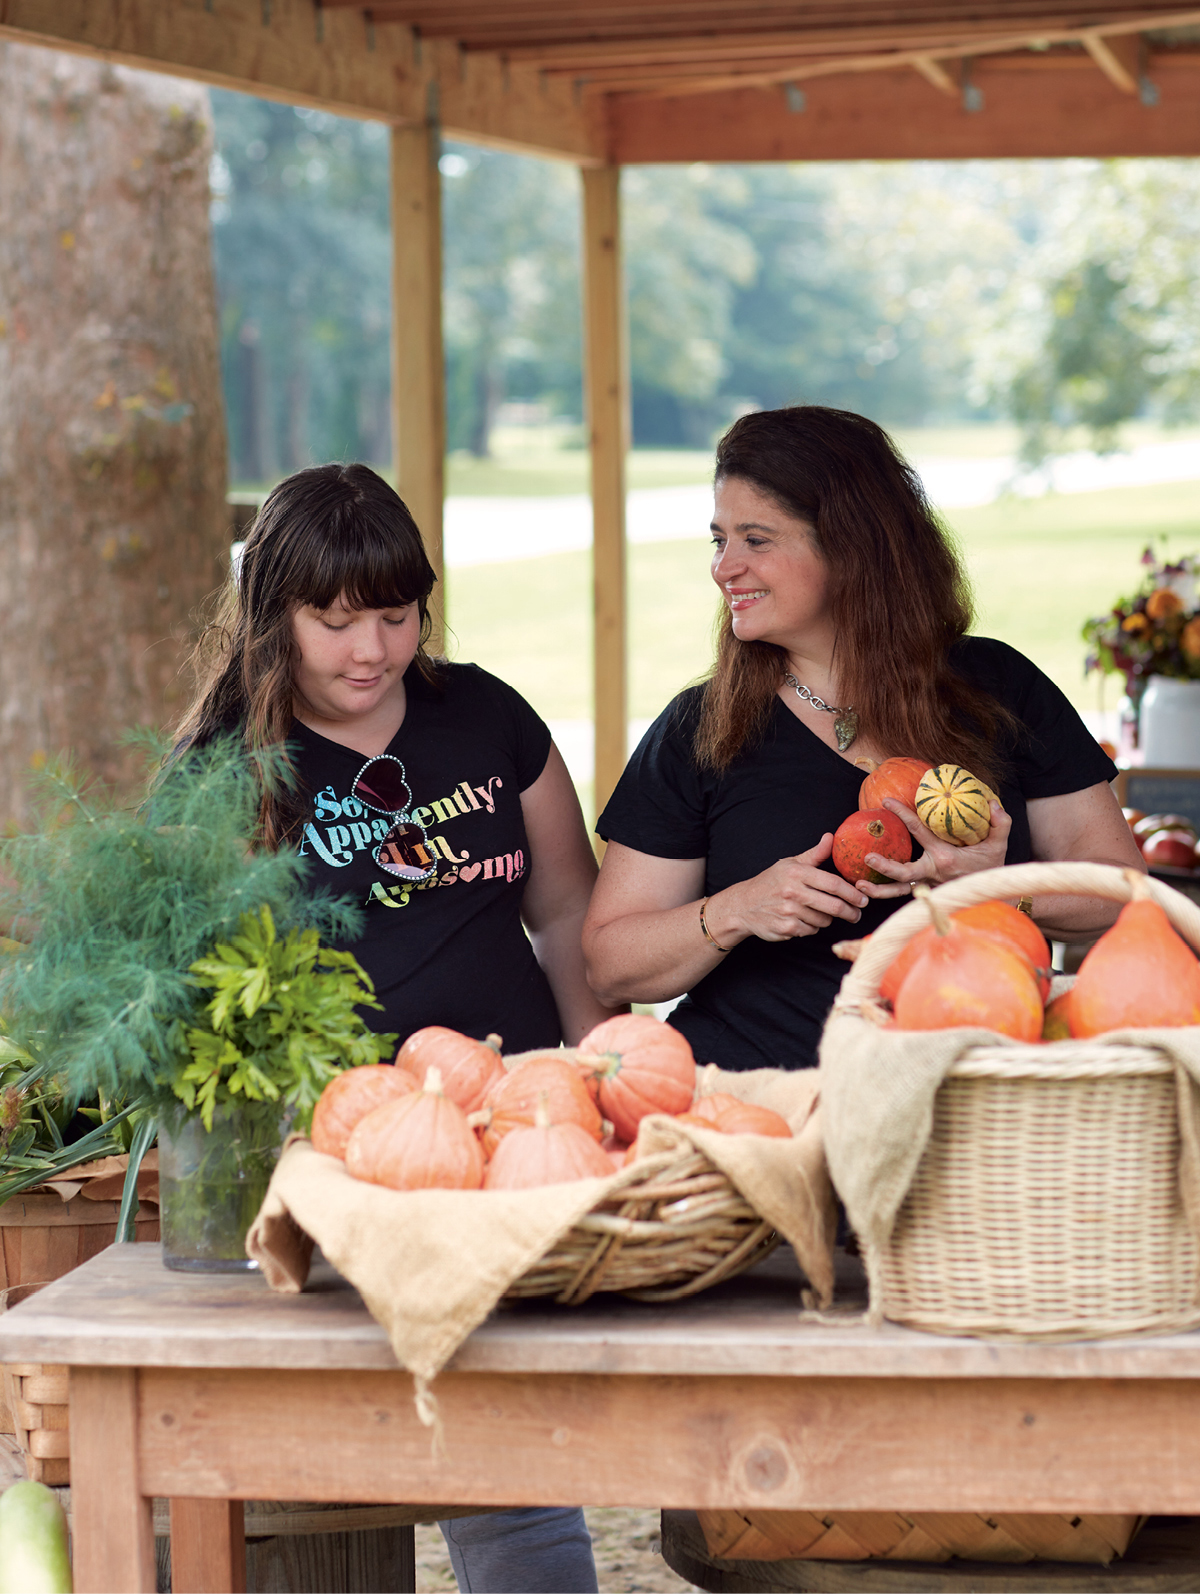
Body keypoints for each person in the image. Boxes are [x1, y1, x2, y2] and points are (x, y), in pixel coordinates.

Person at [176, 461, 609, 1594]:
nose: (370, 649)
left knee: (504, 1442)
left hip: (513, 1130)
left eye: (395, 614)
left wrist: (598, 1078)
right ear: (275, 616)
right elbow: (201, 989)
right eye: (333, 621)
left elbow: (566, 910)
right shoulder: (225, 770)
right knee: (327, 1461)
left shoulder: (488, 717)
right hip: (332, 1154)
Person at [583, 406, 1145, 1073]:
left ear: (851, 547)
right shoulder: (699, 728)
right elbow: (608, 963)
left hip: (969, 1100)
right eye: (719, 540)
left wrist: (998, 886)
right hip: (761, 1101)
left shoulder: (1000, 688)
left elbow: (1123, 893)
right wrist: (735, 910)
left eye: (755, 540)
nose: (723, 568)